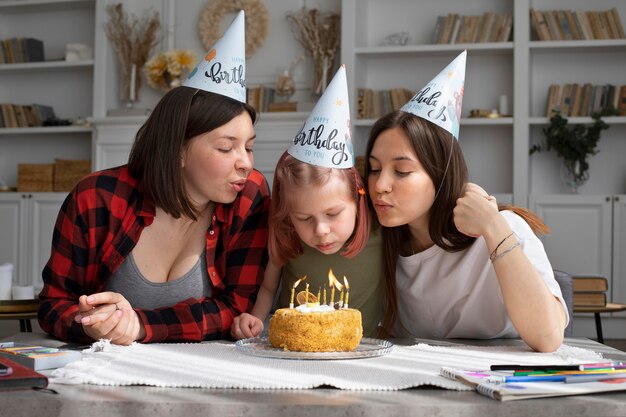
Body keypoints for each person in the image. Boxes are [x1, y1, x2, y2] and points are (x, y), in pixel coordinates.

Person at [38, 11, 270, 345]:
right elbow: (52, 304)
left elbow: (238, 308)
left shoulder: (249, 197)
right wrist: (88, 323)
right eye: (226, 148)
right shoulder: (96, 199)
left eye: (248, 147)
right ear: (178, 150)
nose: (245, 164)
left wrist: (140, 326)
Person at [364, 51, 568, 352]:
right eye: (374, 168)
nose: (380, 186)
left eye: (402, 171)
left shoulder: (504, 227)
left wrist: (492, 225)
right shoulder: (379, 241)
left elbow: (548, 338)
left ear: (441, 174)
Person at [230, 66, 384, 339]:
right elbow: (268, 288)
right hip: (295, 346)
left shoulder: (381, 231)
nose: (321, 230)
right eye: (304, 218)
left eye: (333, 213)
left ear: (358, 197)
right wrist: (253, 319)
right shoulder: (287, 235)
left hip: (363, 351)